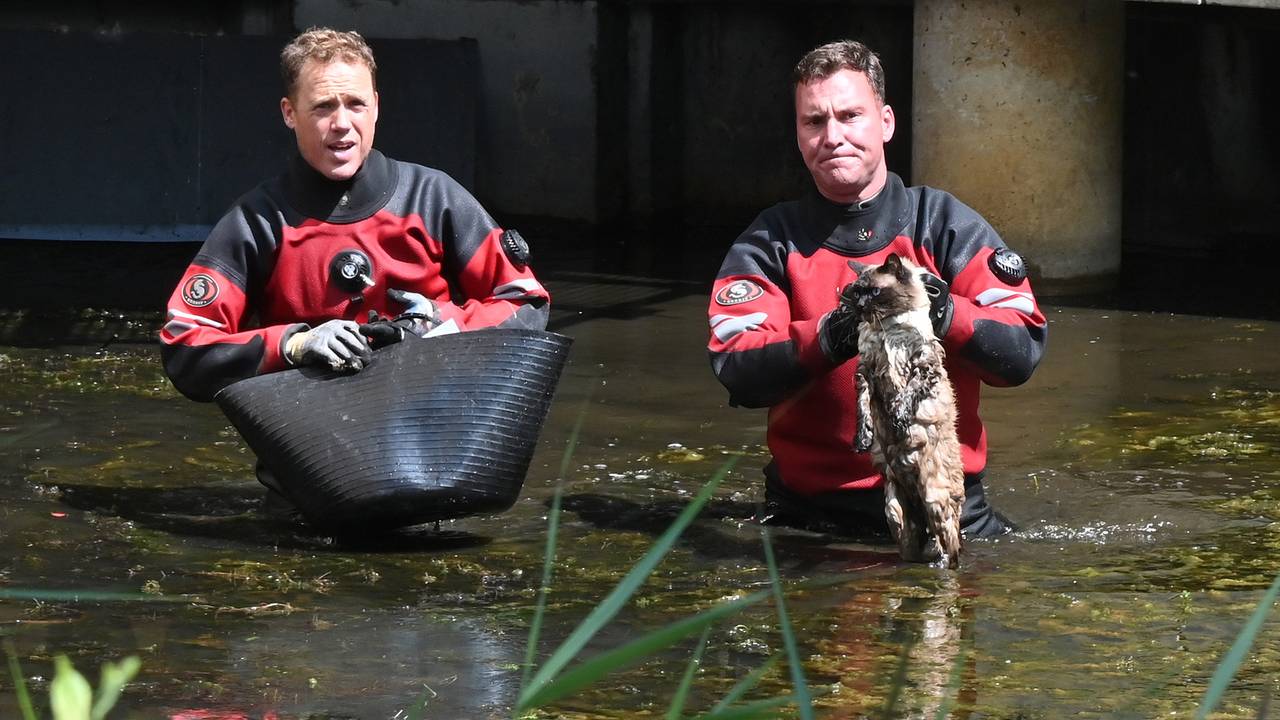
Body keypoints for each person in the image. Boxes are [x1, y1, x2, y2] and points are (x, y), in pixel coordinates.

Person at [160, 28, 550, 502]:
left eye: (356, 105)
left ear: (377, 107)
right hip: (308, 488)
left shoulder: (433, 198)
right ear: (289, 113)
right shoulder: (257, 222)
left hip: (439, 477)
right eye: (323, 107)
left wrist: (446, 328)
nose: (342, 123)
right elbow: (185, 347)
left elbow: (526, 300)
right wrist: (295, 344)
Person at [707, 39, 1047, 540]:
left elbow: (1022, 351)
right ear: (798, 135)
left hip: (946, 506)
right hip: (811, 520)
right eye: (814, 122)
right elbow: (738, 368)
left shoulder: (945, 225)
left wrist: (944, 311)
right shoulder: (767, 243)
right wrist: (831, 336)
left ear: (885, 123)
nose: (833, 136)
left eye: (849, 116)